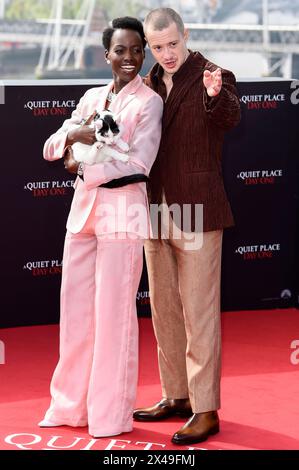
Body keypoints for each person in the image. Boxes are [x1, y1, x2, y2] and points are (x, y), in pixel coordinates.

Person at [38, 17, 163, 438]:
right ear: (107, 54)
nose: (129, 58)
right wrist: (81, 132)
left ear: (143, 52)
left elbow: (138, 163)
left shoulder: (149, 102)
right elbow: (51, 147)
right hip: (84, 215)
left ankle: (110, 416)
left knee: (114, 320)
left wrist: (80, 163)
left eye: (136, 50)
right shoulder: (92, 95)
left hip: (122, 215)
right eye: (121, 50)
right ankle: (70, 406)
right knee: (75, 317)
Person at [133, 8, 241, 445]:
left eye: (172, 44)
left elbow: (229, 118)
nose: (166, 53)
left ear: (186, 35)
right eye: (157, 47)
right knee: (164, 312)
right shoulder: (148, 82)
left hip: (196, 208)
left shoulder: (214, 73)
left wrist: (216, 96)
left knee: (198, 313)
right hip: (155, 207)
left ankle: (205, 408)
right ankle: (176, 395)